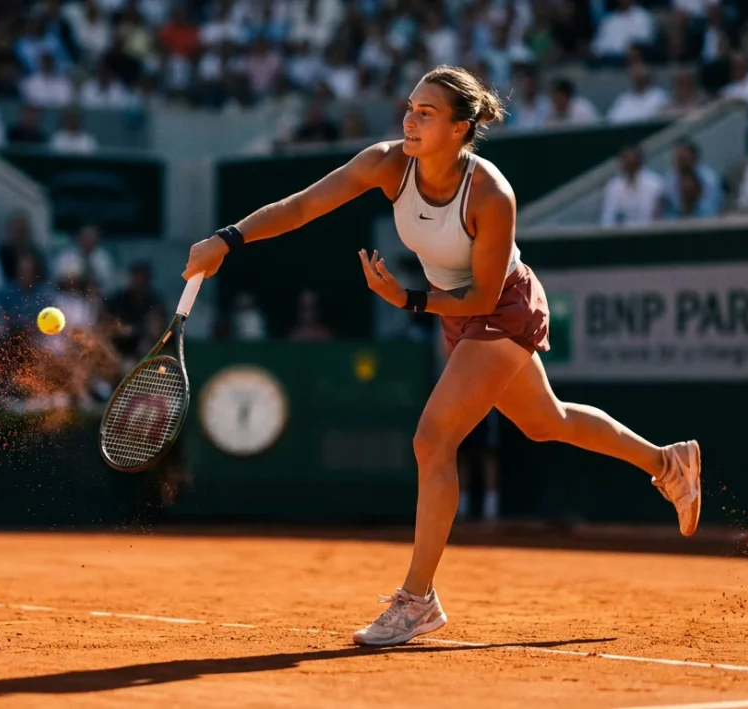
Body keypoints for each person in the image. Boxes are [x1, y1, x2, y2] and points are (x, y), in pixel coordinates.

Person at [182, 65, 703, 649]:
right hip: (454, 310)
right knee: (544, 420)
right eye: (408, 108)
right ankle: (667, 463)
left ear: (460, 129)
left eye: (425, 113)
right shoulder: (385, 163)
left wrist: (404, 297)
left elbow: (483, 295)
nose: (409, 119)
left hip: (502, 303)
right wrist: (227, 239)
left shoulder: (489, 194)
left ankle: (417, 599)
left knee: (433, 440)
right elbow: (303, 207)